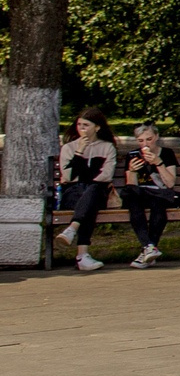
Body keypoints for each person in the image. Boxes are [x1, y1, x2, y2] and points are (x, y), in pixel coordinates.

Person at [55, 107, 117, 272]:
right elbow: (68, 177)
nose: (81, 128)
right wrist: (79, 152)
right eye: (79, 125)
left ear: (97, 127)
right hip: (73, 194)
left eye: (86, 125)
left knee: (93, 192)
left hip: (96, 192)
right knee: (89, 201)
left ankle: (72, 229)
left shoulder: (107, 148)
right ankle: (83, 256)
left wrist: (86, 180)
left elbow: (107, 175)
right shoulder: (69, 148)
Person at [119, 120, 180, 267]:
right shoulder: (133, 155)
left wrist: (159, 163)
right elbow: (131, 186)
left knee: (158, 205)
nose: (145, 144)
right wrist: (132, 171)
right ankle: (149, 247)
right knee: (133, 201)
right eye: (140, 140)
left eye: (149, 139)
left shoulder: (167, 154)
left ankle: (147, 251)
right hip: (139, 194)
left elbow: (170, 183)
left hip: (159, 194)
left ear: (156, 136)